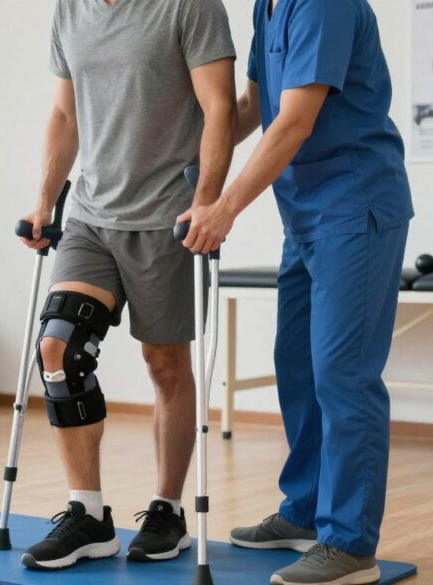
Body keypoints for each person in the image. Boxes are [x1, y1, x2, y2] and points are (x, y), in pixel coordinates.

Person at [177, 0, 413, 583]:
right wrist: (185, 158)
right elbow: (252, 108)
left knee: (342, 372)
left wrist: (224, 207)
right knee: (298, 368)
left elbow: (294, 121)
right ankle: (305, 511)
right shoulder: (268, 6)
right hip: (304, 215)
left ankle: (351, 543)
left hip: (354, 206)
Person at [16, 0, 237, 571]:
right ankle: (88, 515)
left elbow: (219, 109)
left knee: (165, 365)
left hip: (168, 217)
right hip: (91, 217)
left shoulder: (190, 7)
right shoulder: (70, 11)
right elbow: (65, 116)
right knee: (58, 348)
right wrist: (44, 198)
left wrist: (207, 202)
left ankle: (167, 510)